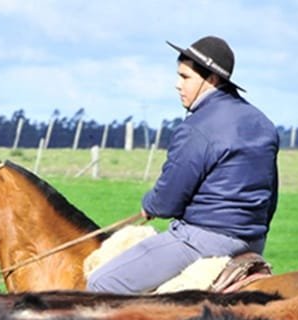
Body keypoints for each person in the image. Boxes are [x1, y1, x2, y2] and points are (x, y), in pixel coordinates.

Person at [87, 35, 279, 294]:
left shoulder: (196, 127)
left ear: (211, 79)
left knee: (102, 282)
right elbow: (270, 197)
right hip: (254, 242)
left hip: (202, 242)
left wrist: (149, 205)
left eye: (185, 77)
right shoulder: (263, 123)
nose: (178, 85)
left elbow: (167, 202)